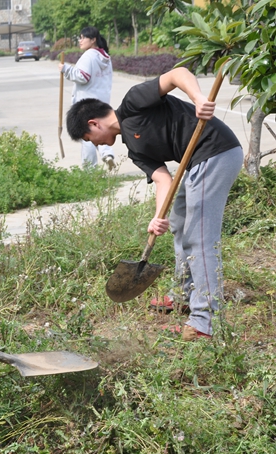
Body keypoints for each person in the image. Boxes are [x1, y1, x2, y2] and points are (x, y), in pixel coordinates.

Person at [66, 67, 243, 340]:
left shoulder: (134, 103)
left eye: (92, 141)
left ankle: (205, 322)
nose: (100, 147)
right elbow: (164, 182)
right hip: (197, 163)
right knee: (179, 225)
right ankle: (184, 295)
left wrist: (197, 98)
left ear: (93, 124)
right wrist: (158, 216)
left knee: (199, 237)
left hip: (216, 152)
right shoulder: (135, 151)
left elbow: (177, 74)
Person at [59, 27, 116, 170]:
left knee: (87, 135)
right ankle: (107, 154)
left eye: (83, 37)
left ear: (93, 39)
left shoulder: (89, 55)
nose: (80, 40)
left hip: (86, 104)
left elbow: (83, 76)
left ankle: (89, 170)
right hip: (101, 101)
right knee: (102, 129)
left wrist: (66, 69)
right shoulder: (105, 57)